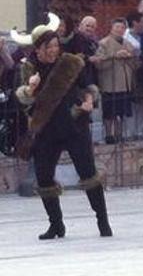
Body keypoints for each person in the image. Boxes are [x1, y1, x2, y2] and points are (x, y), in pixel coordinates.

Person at [11, 14, 111, 240]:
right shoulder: (28, 69)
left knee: (88, 173)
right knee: (44, 177)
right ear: (38, 49)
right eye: (49, 47)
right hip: (46, 128)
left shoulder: (70, 62)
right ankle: (56, 225)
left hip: (74, 124)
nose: (53, 50)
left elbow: (89, 87)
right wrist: (30, 89)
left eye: (56, 45)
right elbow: (22, 102)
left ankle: (102, 221)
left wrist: (88, 100)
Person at [95, 18, 139, 144]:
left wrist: (130, 57)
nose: (119, 30)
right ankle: (109, 135)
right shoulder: (103, 43)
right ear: (112, 28)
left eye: (122, 28)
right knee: (109, 113)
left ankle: (120, 134)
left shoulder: (128, 44)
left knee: (122, 112)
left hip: (125, 83)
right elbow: (98, 63)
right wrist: (114, 56)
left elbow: (136, 65)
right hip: (110, 82)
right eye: (117, 27)